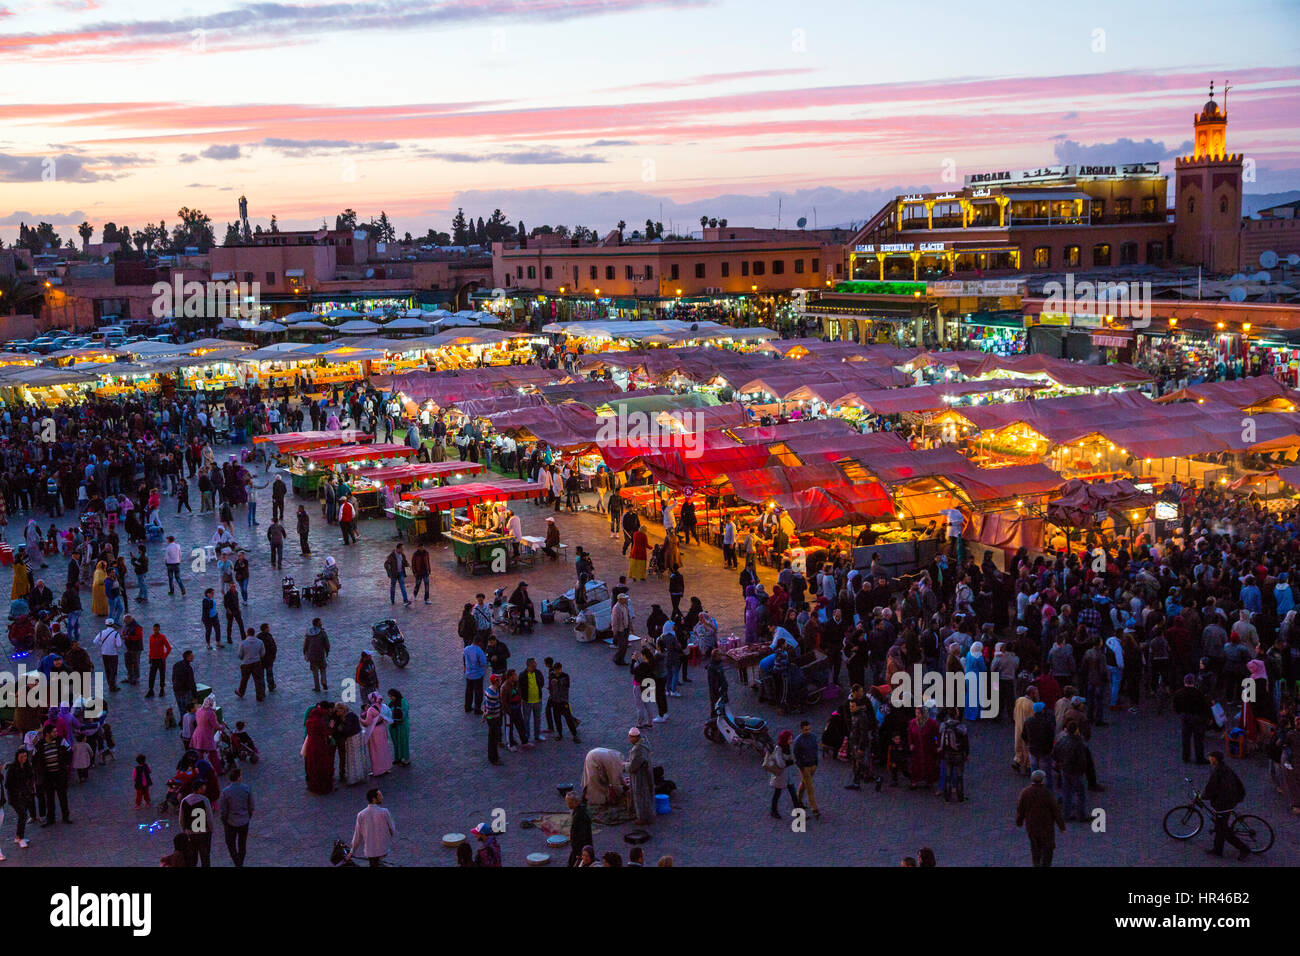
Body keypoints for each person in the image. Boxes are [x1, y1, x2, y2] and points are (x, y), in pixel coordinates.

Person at [1203, 751, 1251, 861]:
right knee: (1219, 826)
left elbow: (1212, 788)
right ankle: (1217, 849)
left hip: (1224, 803)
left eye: (1211, 758)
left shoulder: (1218, 772)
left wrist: (1203, 796)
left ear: (1214, 759)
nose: (1209, 759)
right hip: (1229, 800)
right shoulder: (1224, 769)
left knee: (1223, 829)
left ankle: (1244, 849)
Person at [1015, 769, 1065, 867]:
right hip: (1046, 826)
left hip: (1031, 826)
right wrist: (1061, 827)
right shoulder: (1047, 793)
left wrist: (1019, 821)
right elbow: (1056, 811)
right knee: (1048, 848)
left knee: (1035, 847)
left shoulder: (1025, 792)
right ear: (1042, 780)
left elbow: (1020, 809)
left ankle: (1036, 863)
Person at [1172, 673, 1213, 764]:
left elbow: (1175, 706)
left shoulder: (1179, 693)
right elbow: (1204, 706)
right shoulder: (1198, 693)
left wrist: (1180, 713)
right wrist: (1208, 717)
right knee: (1198, 739)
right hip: (1197, 717)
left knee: (1186, 737)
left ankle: (1186, 757)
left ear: (1184, 682)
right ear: (1194, 682)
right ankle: (1199, 758)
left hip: (1185, 716)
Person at [217, 766, 254, 867]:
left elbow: (223, 809)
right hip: (244, 821)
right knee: (242, 844)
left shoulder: (226, 792)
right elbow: (251, 806)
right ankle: (240, 863)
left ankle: (237, 862)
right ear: (238, 778)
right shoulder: (246, 789)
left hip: (231, 822)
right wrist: (248, 815)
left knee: (230, 843)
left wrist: (224, 820)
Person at [350, 788, 395, 866]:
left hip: (370, 851)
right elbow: (392, 829)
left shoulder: (361, 815)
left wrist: (352, 851)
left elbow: (357, 836)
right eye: (380, 795)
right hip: (383, 849)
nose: (382, 797)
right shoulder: (384, 812)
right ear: (374, 799)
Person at [626, 728, 656, 825]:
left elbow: (632, 767)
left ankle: (642, 818)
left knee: (640, 796)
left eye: (630, 737)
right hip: (646, 774)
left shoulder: (637, 751)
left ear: (635, 738)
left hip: (639, 777)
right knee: (646, 794)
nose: (629, 739)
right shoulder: (644, 746)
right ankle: (647, 815)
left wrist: (624, 765)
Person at [179, 784, 214, 867]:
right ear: (199, 789)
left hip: (190, 833)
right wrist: (211, 829)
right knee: (205, 858)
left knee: (192, 858)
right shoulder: (204, 800)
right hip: (203, 832)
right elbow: (209, 817)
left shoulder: (184, 801)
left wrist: (184, 830)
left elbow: (181, 819)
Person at [793, 719, 821, 818]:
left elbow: (815, 750)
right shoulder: (798, 741)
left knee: (804, 783)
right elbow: (797, 756)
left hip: (813, 764)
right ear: (801, 730)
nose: (808, 731)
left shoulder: (813, 737)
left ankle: (798, 800)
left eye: (809, 729)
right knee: (810, 786)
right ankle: (814, 807)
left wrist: (816, 763)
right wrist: (801, 766)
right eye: (806, 730)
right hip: (804, 766)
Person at [362, 692, 394, 777]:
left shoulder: (371, 710)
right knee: (383, 748)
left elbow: (367, 722)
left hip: (374, 731)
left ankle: (378, 769)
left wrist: (360, 719)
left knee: (375, 750)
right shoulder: (383, 706)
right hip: (382, 728)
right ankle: (386, 767)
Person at [235, 627, 266, 701]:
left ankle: (241, 692)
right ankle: (259, 696)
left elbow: (240, 655)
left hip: (246, 664)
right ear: (254, 633)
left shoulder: (243, 643)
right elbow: (262, 653)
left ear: (247, 633)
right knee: (258, 680)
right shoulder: (260, 642)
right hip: (256, 663)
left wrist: (244, 658)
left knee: (244, 679)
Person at [92, 618, 123, 693]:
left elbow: (95, 641)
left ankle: (110, 684)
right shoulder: (116, 634)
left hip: (104, 653)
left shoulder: (102, 632)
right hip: (113, 653)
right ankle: (113, 685)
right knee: (113, 670)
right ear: (113, 624)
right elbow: (119, 645)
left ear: (106, 624)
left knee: (107, 669)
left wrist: (102, 644)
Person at [565, 792, 592, 867]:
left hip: (580, 846)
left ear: (574, 802)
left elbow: (581, 835)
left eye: (568, 802)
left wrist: (578, 849)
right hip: (581, 844)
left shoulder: (579, 815)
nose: (567, 804)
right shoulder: (581, 811)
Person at [303, 618, 330, 693]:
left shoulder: (308, 633)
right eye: (320, 622)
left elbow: (305, 644)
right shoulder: (322, 633)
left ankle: (317, 687)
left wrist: (305, 652)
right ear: (318, 623)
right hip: (321, 654)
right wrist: (327, 652)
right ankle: (324, 681)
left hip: (312, 655)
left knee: (315, 672)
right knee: (323, 668)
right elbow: (327, 644)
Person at [463, 639, 487, 714]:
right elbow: (483, 662)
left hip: (469, 674)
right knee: (478, 692)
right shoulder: (479, 651)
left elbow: (464, 658)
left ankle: (467, 706)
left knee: (468, 691)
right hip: (477, 675)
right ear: (479, 642)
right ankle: (477, 708)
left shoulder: (466, 649)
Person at [387, 689, 410, 766]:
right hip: (394, 726)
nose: (390, 698)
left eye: (391, 696)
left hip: (401, 725)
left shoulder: (403, 702)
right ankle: (398, 758)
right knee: (396, 742)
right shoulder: (391, 702)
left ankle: (406, 759)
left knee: (403, 742)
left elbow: (403, 713)